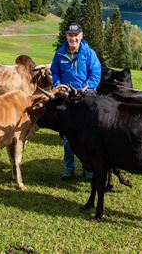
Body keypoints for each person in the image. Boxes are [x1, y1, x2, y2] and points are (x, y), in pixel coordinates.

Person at [50, 22, 101, 181]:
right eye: (70, 35)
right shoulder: (59, 54)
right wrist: (58, 86)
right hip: (68, 100)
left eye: (76, 35)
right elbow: (55, 72)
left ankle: (88, 170)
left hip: (86, 99)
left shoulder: (89, 54)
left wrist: (86, 89)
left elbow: (95, 74)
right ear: (67, 36)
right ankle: (68, 168)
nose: (73, 38)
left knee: (88, 137)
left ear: (81, 36)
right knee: (68, 136)